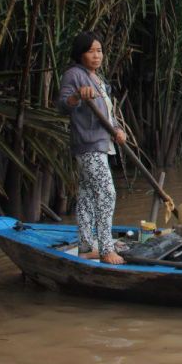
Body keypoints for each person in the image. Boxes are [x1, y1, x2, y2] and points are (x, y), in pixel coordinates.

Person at [57, 31, 127, 264]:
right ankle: (106, 249)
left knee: (87, 196)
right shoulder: (74, 75)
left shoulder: (99, 80)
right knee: (107, 193)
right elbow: (63, 105)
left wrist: (117, 129)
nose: (97, 55)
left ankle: (86, 247)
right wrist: (77, 96)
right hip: (88, 145)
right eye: (91, 51)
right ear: (80, 54)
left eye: (99, 50)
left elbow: (107, 113)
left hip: (101, 144)